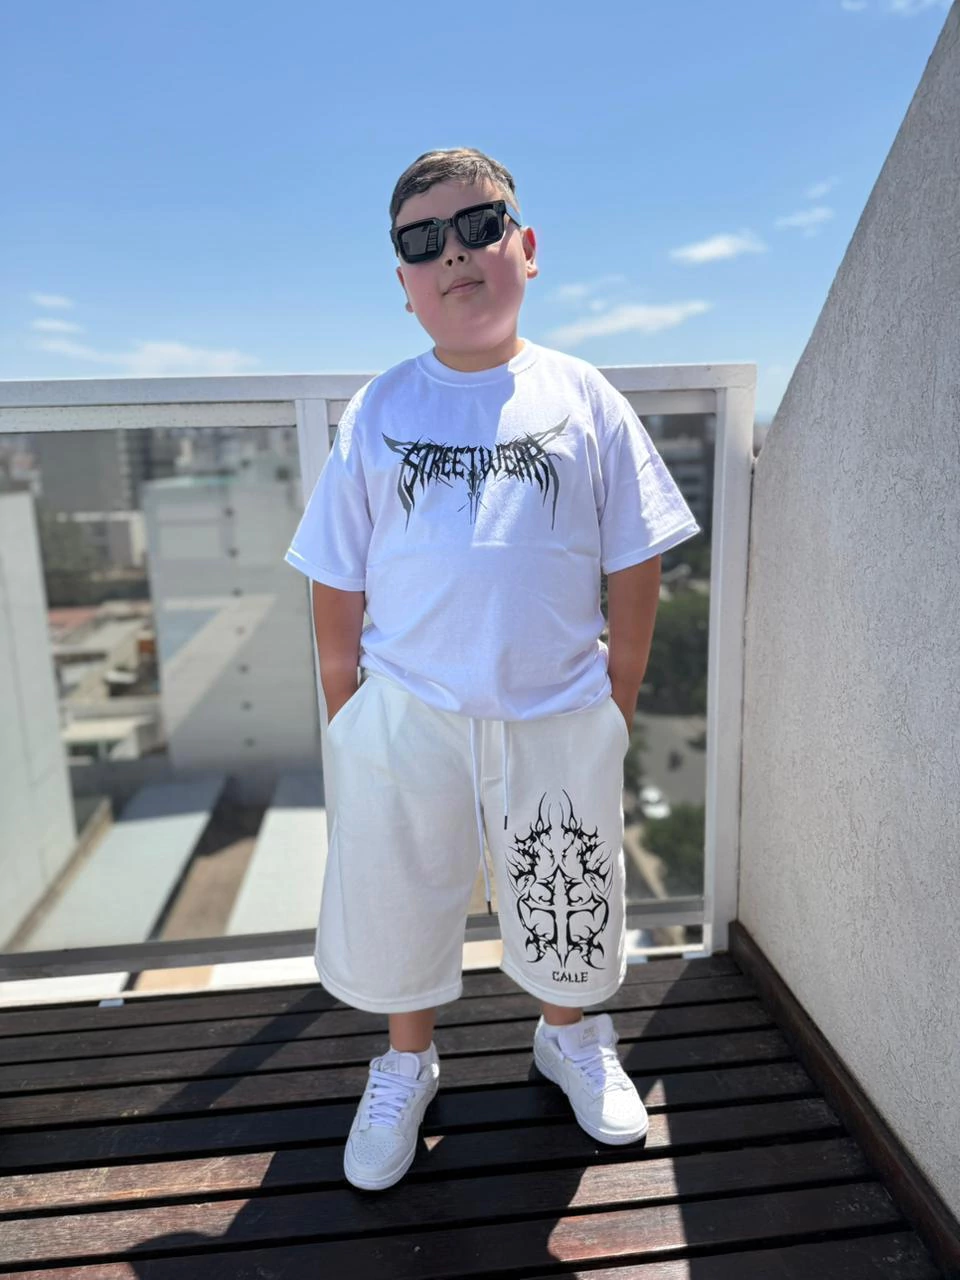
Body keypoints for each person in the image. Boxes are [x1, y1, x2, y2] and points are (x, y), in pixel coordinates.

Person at [284, 147, 701, 1192]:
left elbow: (634, 555)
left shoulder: (583, 394)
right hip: (406, 709)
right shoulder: (381, 407)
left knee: (569, 882)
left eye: (479, 226)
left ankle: (569, 1033)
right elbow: (336, 572)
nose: (454, 254)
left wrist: (617, 697)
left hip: (558, 703)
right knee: (401, 890)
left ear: (527, 245)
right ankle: (406, 1059)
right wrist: (347, 711)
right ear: (404, 282)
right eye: (422, 242)